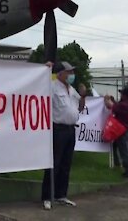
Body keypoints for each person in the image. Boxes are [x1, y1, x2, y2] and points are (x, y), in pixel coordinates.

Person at [41, 61, 86, 210]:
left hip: (70, 130)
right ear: (60, 74)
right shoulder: (52, 87)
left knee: (66, 164)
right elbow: (39, 85)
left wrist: (83, 95)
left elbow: (79, 107)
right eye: (69, 72)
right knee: (54, 163)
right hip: (58, 129)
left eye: (72, 72)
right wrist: (45, 69)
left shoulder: (71, 89)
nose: (72, 75)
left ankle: (61, 195)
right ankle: (47, 196)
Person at [104, 87, 128, 178]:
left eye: (122, 94)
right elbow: (116, 106)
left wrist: (106, 99)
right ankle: (117, 163)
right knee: (115, 146)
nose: (121, 95)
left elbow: (109, 105)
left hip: (121, 130)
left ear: (125, 96)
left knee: (124, 150)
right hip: (127, 129)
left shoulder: (124, 105)